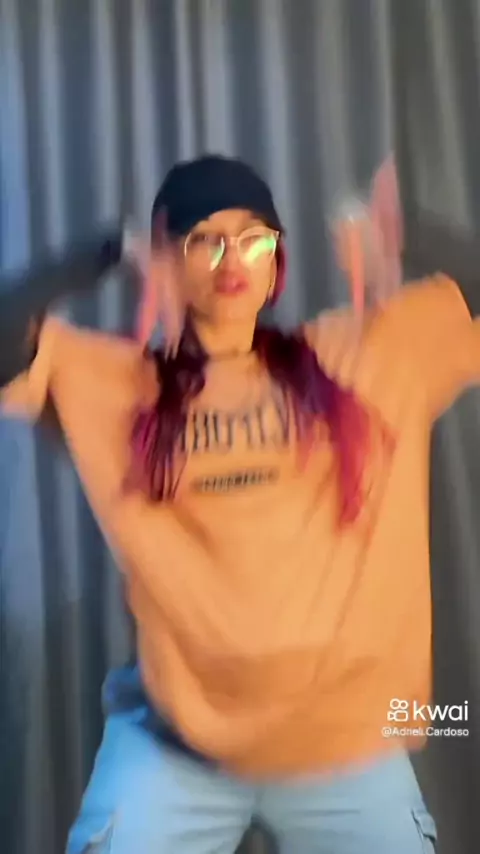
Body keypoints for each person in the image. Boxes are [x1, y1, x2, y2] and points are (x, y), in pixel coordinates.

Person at [2, 154, 480, 854]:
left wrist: (409, 230)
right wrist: (107, 250)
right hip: (178, 749)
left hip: (349, 741)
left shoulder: (367, 354)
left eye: (253, 238)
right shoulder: (117, 384)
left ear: (277, 258)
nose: (233, 259)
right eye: (206, 239)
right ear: (168, 261)